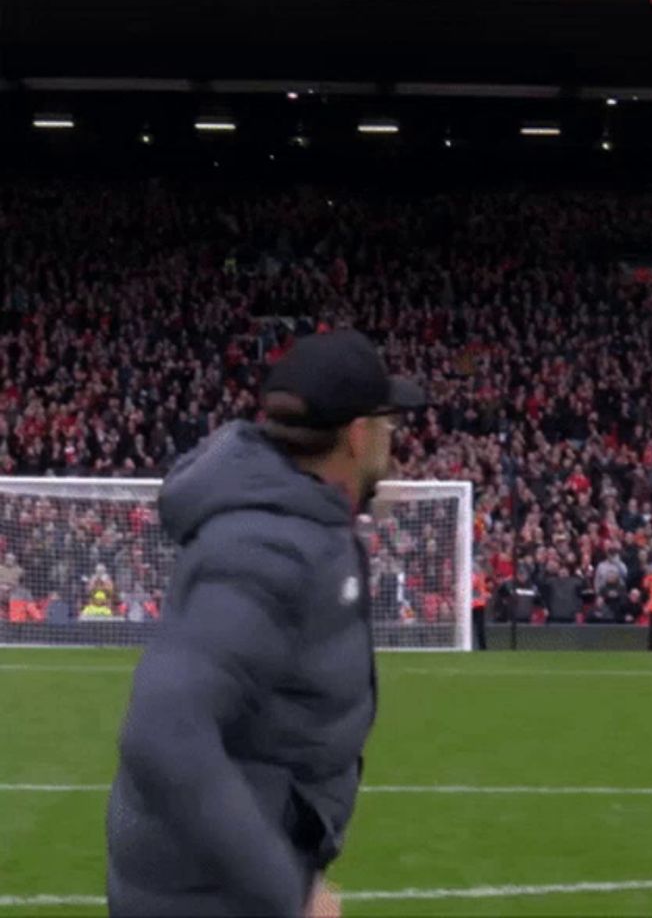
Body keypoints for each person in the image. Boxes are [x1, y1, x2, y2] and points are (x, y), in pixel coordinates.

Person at [106, 329, 424, 918]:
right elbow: (164, 730)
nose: (394, 439)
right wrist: (286, 892)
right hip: (209, 895)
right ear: (357, 436)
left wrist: (338, 507)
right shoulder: (266, 548)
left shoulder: (287, 521)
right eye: (387, 424)